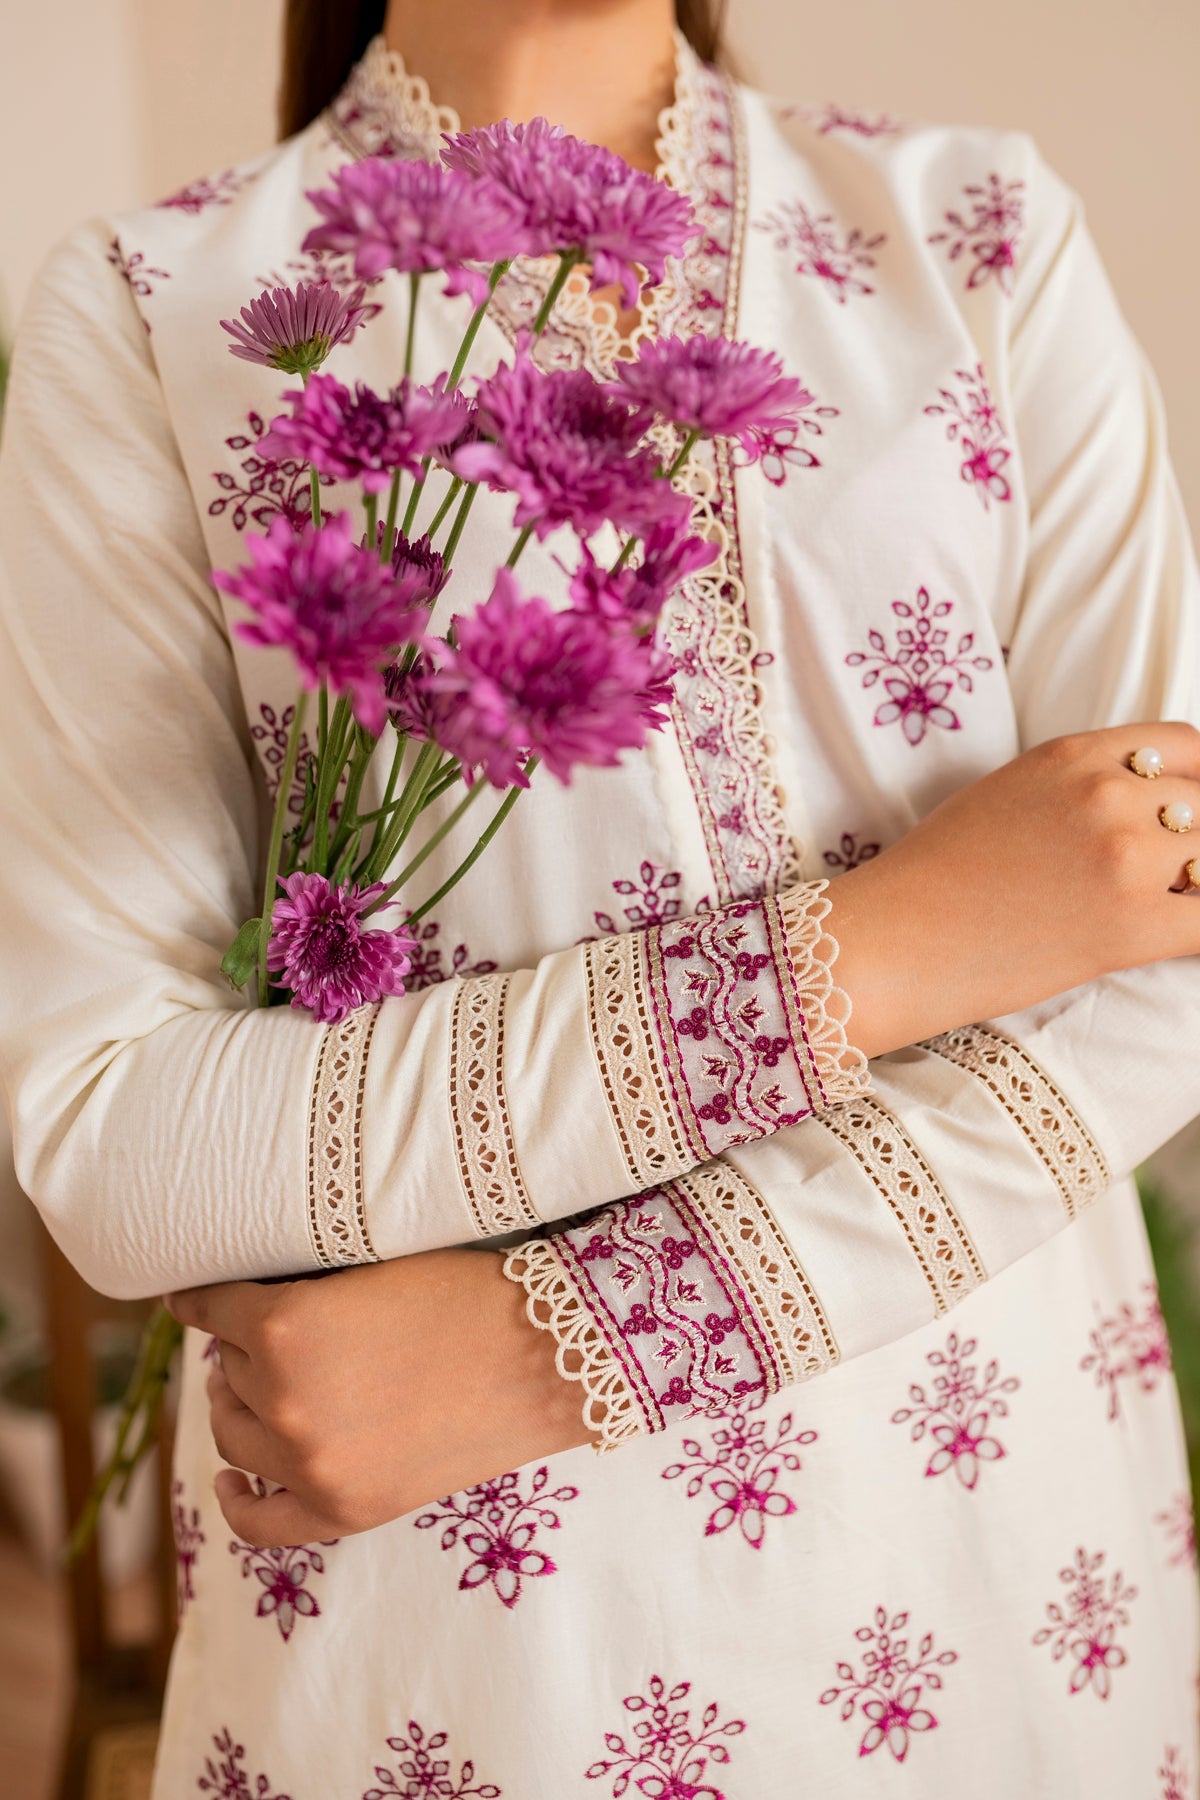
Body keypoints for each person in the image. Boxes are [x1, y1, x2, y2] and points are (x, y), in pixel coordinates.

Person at [1, 0, 1197, 1792]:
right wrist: (885, 950)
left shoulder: (974, 235)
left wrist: (545, 1352)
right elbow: (117, 1134)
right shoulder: (163, 307)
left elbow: (1161, 950)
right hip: (472, 1641)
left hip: (993, 1552)